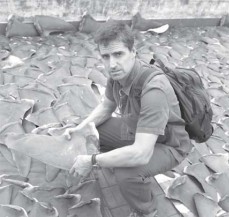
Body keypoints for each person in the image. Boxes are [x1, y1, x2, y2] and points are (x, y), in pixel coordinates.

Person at [65, 20, 192, 217]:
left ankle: (146, 210)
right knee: (94, 130)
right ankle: (116, 159)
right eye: (105, 57)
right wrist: (81, 128)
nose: (112, 64)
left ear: (133, 52)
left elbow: (141, 153)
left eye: (118, 54)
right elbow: (107, 106)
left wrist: (91, 160)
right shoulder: (117, 75)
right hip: (138, 130)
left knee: (127, 172)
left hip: (168, 145)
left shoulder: (154, 90)